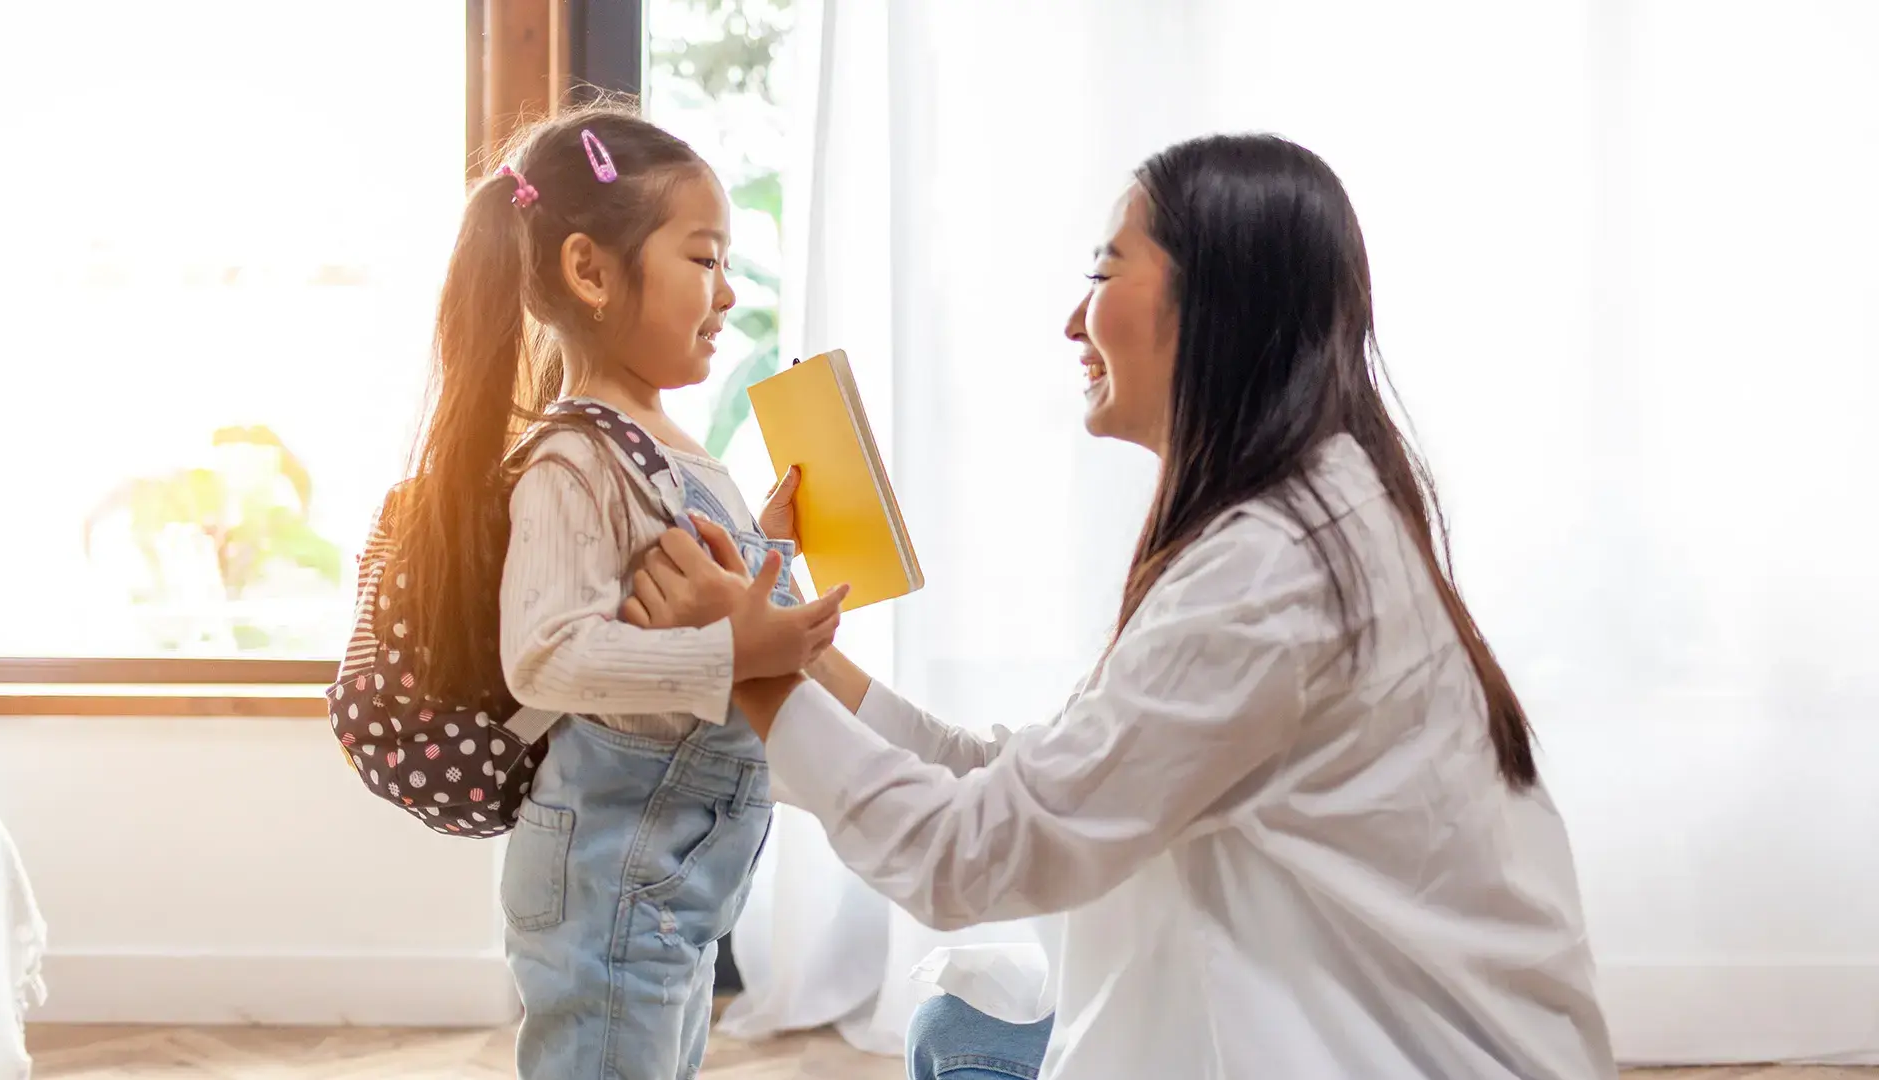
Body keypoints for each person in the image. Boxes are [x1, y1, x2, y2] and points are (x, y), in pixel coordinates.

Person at [622, 133, 1618, 1079]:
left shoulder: (1271, 577)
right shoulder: (1297, 515)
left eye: (1102, 275)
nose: (1071, 321)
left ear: (1222, 303)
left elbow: (974, 853)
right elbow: (1035, 779)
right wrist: (790, 652)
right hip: (1370, 1024)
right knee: (960, 1022)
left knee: (964, 1035)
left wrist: (752, 673)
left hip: (1394, 1053)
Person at [388, 103, 846, 1079]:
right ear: (591, 272)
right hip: (611, 880)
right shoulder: (570, 458)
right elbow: (546, 653)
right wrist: (737, 653)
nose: (727, 294)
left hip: (666, 881)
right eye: (703, 258)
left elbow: (672, 580)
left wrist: (763, 539)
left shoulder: (658, 445)